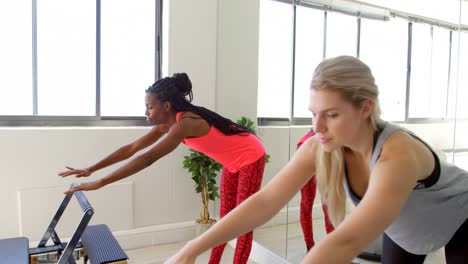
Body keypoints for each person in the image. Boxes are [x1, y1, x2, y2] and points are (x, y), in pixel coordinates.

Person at [164, 56, 468, 264]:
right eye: (313, 114)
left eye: (331, 115)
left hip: (462, 218)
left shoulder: (396, 153)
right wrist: (192, 250)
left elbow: (348, 241)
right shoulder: (318, 147)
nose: (317, 127)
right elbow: (265, 202)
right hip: (406, 227)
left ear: (365, 109)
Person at [58, 73, 266, 264]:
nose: (145, 112)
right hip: (232, 162)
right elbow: (132, 149)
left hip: (250, 155)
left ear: (166, 106)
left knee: (243, 221)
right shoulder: (167, 125)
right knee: (226, 219)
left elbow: (147, 158)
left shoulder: (185, 123)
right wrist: (91, 169)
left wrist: (102, 182)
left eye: (150, 106)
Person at [297, 130, 334, 252]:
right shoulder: (307, 142)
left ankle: (330, 245)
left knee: (327, 204)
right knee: (309, 203)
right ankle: (310, 245)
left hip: (321, 151)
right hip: (308, 152)